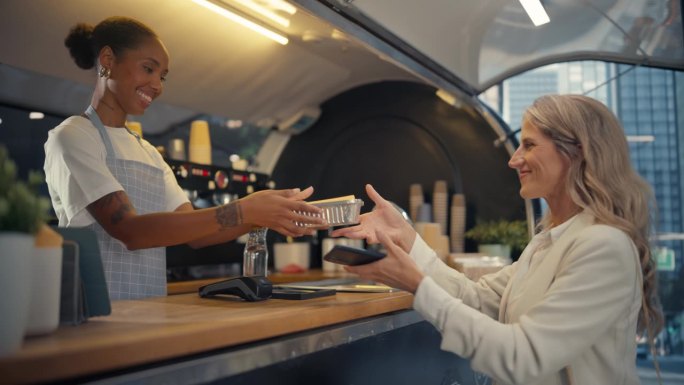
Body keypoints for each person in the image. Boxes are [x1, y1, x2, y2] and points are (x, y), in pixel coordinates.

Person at [333, 94, 663, 385]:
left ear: (577, 152)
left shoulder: (603, 247)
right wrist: (408, 239)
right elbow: (476, 298)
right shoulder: (548, 242)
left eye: (529, 145)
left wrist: (420, 287)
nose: (513, 159)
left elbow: (523, 357)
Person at [44, 16, 324, 300]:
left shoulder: (148, 152)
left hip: (149, 307)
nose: (157, 85)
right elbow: (129, 230)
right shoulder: (74, 136)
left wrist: (268, 214)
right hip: (94, 310)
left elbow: (198, 233)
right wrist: (245, 209)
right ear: (107, 60)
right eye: (148, 69)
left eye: (162, 76)